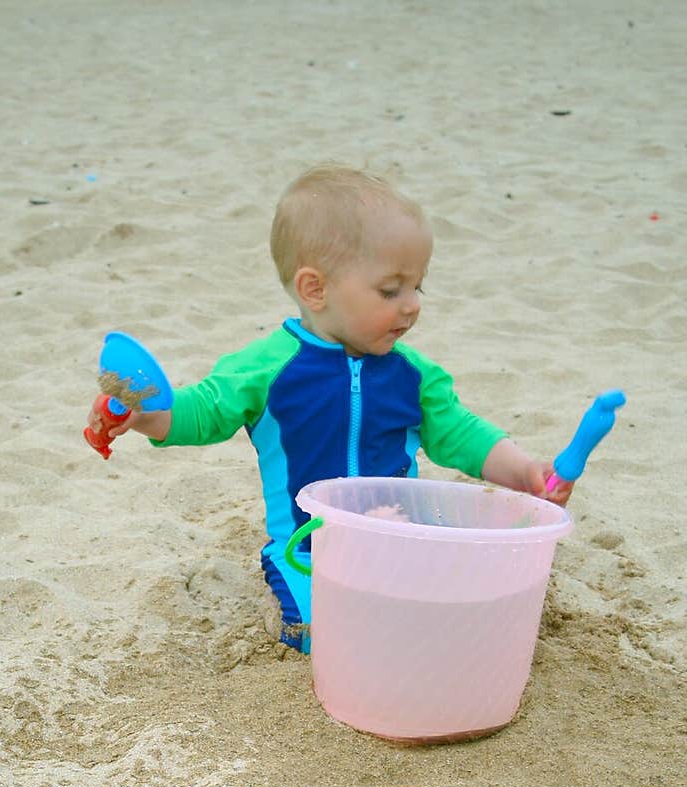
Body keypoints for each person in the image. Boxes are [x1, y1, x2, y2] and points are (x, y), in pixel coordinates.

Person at [87, 165, 569, 652]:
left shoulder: (413, 374)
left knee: (439, 622)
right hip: (308, 552)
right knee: (331, 640)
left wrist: (524, 471)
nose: (411, 306)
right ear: (315, 289)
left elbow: (460, 433)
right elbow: (202, 411)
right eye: (390, 290)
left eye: (417, 287)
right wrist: (143, 415)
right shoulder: (267, 368)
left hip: (398, 540)